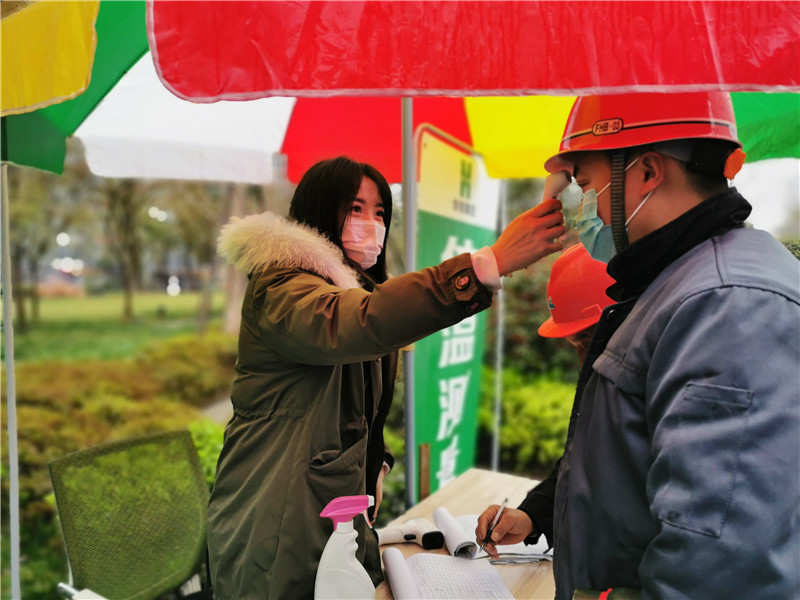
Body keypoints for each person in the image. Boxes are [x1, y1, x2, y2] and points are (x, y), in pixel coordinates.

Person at [476, 92, 800, 599]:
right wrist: (540, 512)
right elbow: (630, 453)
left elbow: (718, 566)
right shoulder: (678, 284)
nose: (582, 210)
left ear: (648, 172)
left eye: (585, 186)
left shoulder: (730, 304)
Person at [207, 156, 565, 599]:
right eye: (355, 208)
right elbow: (354, 323)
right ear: (319, 209)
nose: (371, 223)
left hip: (333, 515)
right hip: (276, 517)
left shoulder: (352, 289)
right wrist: (486, 264)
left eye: (380, 212)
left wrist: (376, 458)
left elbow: (351, 404)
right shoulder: (281, 287)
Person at [478, 242, 615, 556]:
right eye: (575, 345)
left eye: (587, 342)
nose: (583, 361)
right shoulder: (604, 378)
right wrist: (531, 516)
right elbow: (583, 460)